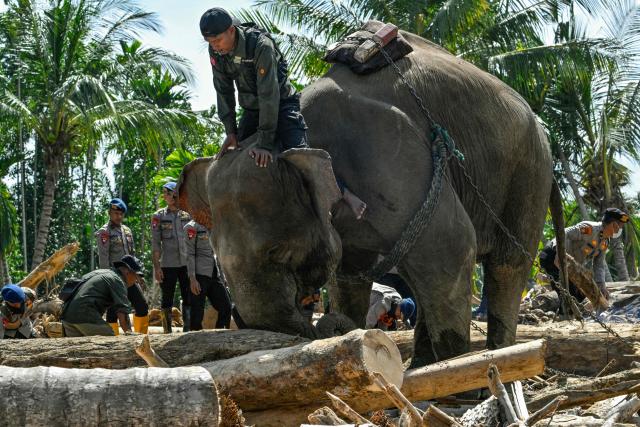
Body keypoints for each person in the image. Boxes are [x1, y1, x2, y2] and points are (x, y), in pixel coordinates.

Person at [199, 7, 367, 219]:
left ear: (231, 30)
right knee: (233, 160)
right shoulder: (216, 52)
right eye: (210, 42)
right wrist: (231, 131)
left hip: (282, 103)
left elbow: (269, 94)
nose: (215, 46)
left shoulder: (260, 45)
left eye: (218, 40)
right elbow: (223, 90)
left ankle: (346, 194)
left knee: (301, 156)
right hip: (252, 109)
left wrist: (265, 142)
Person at [539, 207, 630, 303]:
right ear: (613, 225)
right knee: (568, 295)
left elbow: (599, 264)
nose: (620, 229)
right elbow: (565, 232)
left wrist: (601, 285)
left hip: (567, 265)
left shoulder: (605, 242)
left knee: (580, 297)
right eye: (620, 226)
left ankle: (565, 314)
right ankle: (563, 315)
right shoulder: (589, 229)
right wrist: (559, 254)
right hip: (552, 256)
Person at [96, 198, 149, 335]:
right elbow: (103, 259)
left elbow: (133, 257)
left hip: (129, 277)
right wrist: (107, 282)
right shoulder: (104, 232)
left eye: (121, 214)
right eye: (115, 213)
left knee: (142, 306)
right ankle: (113, 342)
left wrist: (138, 275)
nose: (118, 217)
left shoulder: (127, 231)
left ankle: (142, 338)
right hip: (114, 279)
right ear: (109, 213)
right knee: (113, 312)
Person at [60, 255, 144, 337]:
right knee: (111, 346)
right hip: (85, 316)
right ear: (127, 272)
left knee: (79, 349)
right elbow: (123, 315)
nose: (136, 281)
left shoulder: (101, 272)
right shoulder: (117, 281)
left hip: (67, 317)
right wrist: (132, 339)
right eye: (136, 277)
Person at [152, 181, 192, 333]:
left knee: (188, 296)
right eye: (167, 193)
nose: (170, 195)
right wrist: (157, 267)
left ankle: (187, 330)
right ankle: (167, 332)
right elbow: (156, 244)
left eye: (172, 192)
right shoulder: (159, 216)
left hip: (187, 263)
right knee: (167, 298)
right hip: (168, 264)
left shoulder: (187, 214)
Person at [184, 220, 232, 330]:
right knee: (197, 313)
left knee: (226, 307)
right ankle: (195, 341)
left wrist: (222, 275)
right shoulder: (191, 227)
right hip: (199, 275)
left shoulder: (214, 224)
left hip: (214, 274)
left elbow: (218, 252)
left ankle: (221, 337)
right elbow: (189, 254)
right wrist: (192, 279)